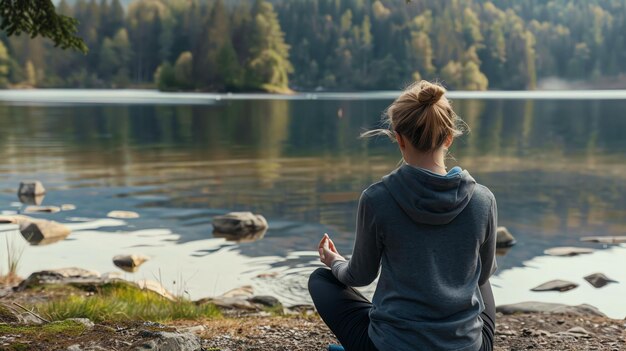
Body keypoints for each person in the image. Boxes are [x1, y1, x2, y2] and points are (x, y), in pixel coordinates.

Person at [308, 80, 497, 351]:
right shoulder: (483, 199)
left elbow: (359, 276)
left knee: (321, 279)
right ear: (448, 137)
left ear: (398, 138)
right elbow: (483, 273)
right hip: (466, 347)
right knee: (483, 278)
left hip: (392, 346)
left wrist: (334, 261)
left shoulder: (377, 199)